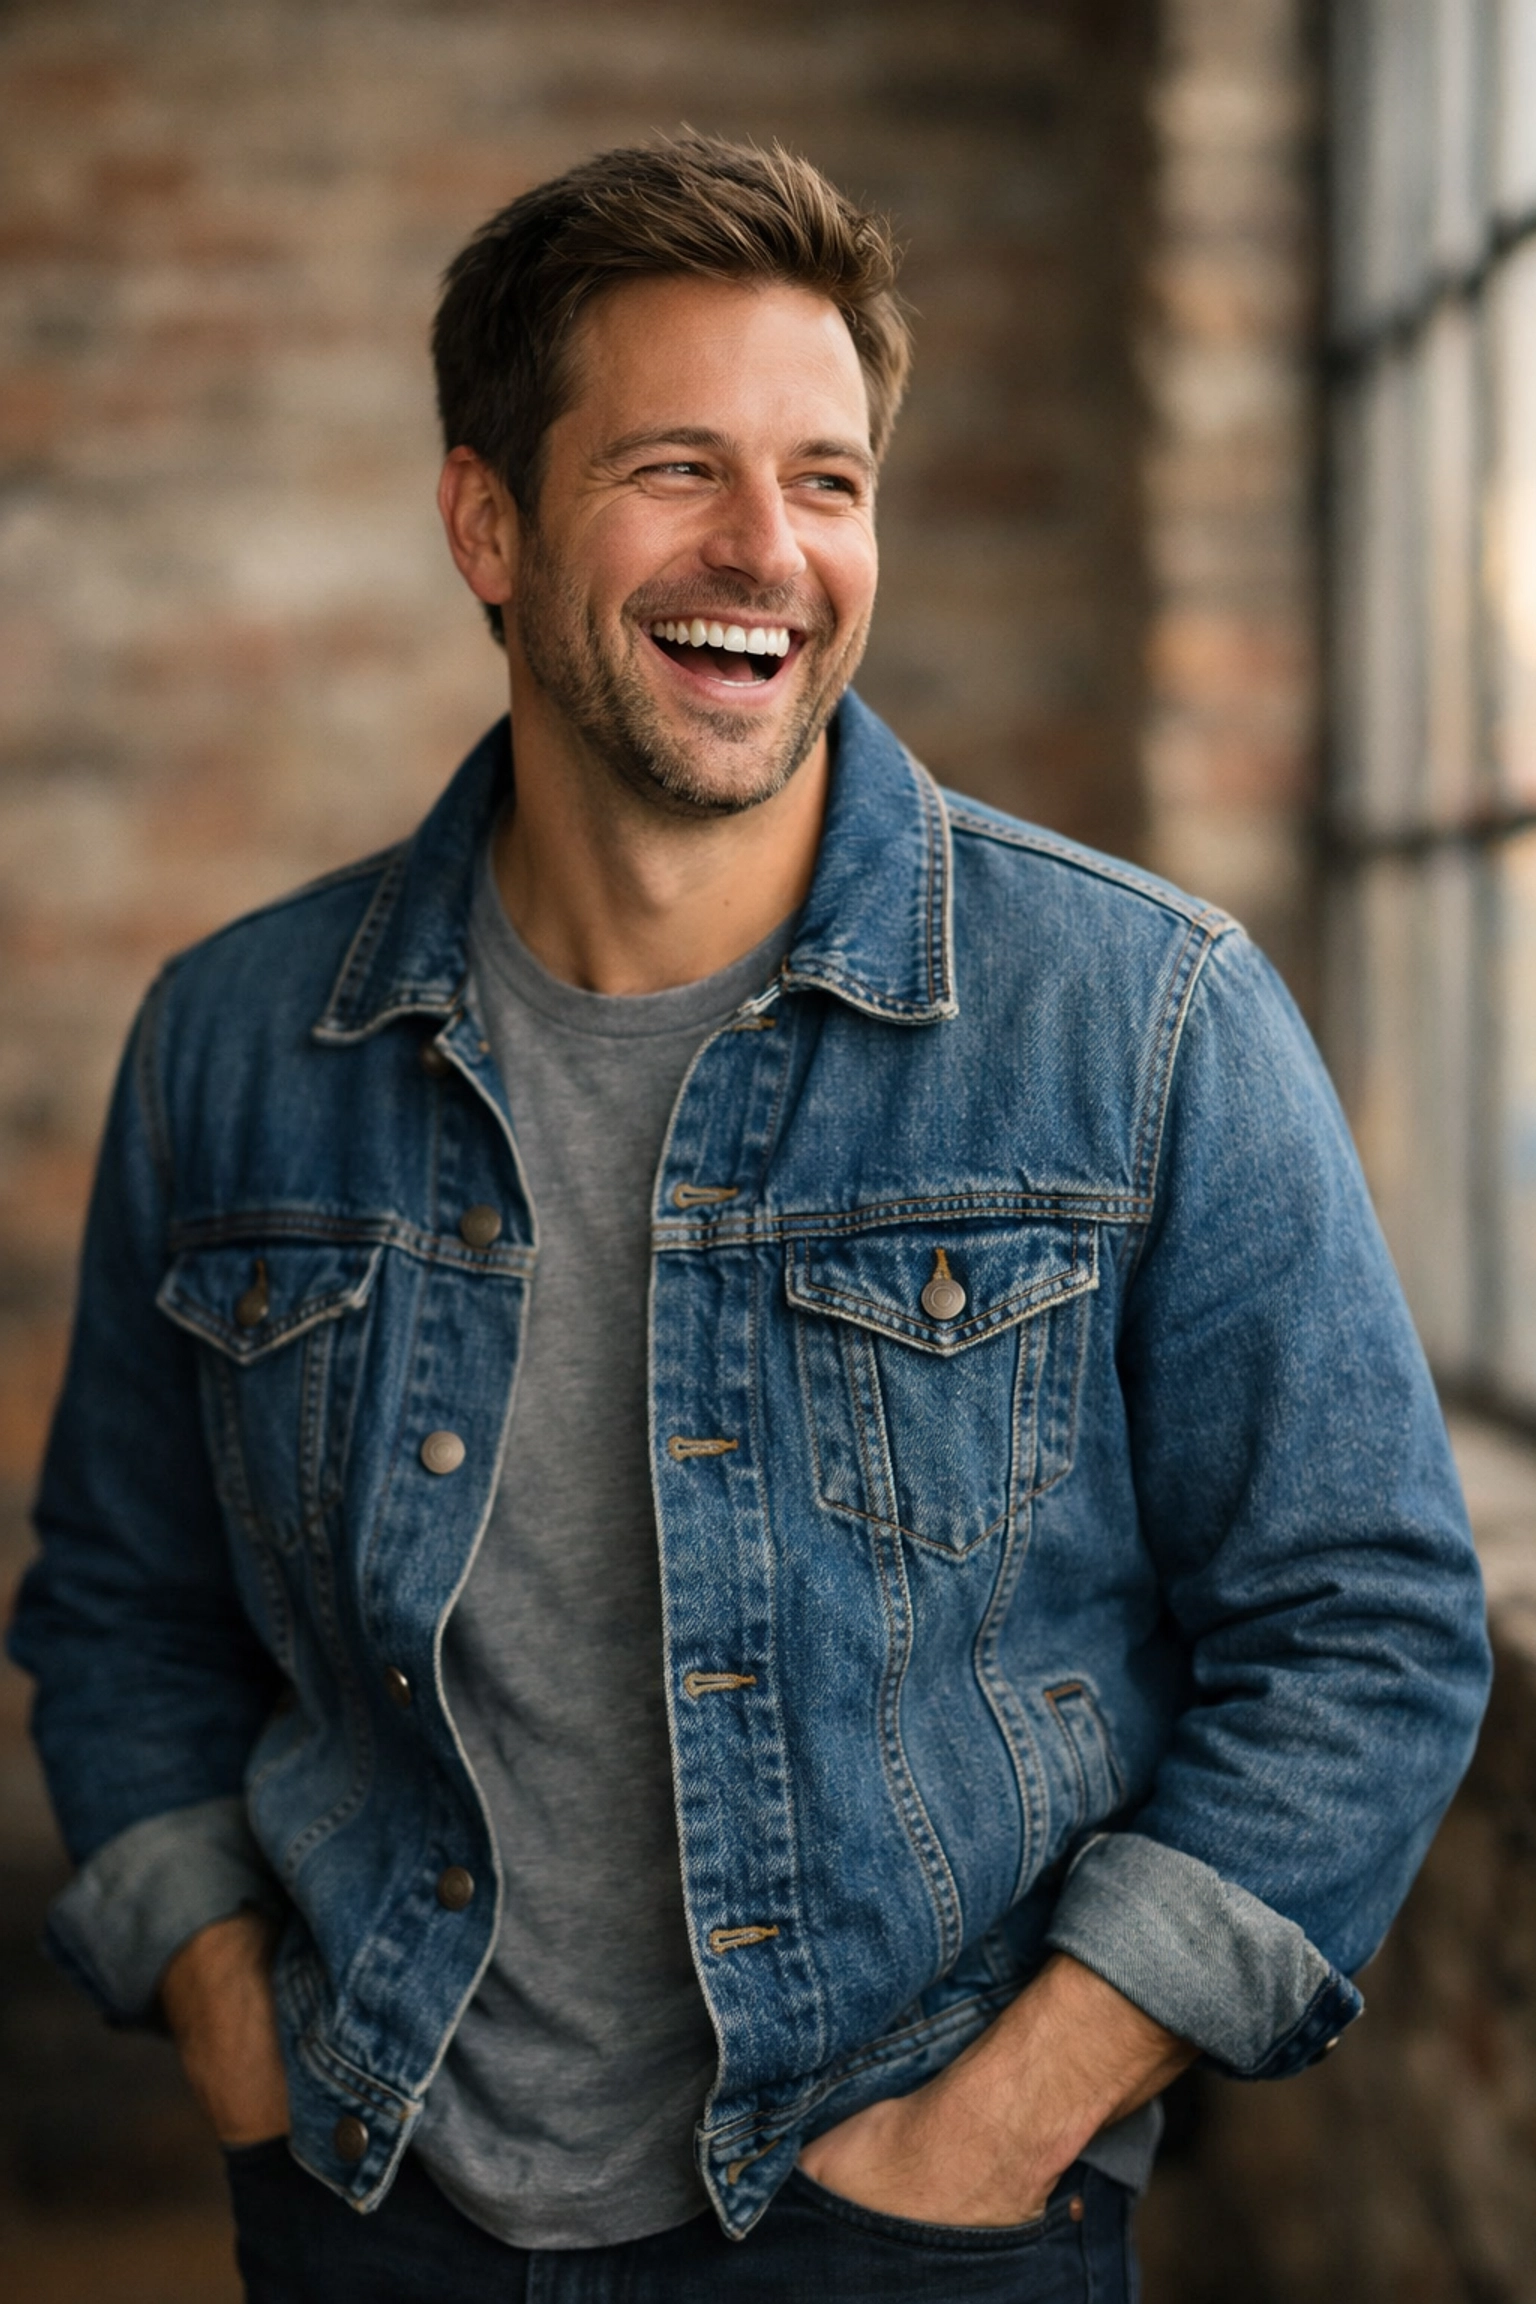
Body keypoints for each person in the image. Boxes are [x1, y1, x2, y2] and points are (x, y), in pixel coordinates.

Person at [10, 135, 1490, 2304]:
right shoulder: (236, 1046)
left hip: (912, 2231)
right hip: (375, 2210)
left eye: (828, 480)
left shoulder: (1142, 1017)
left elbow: (1366, 1628)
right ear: (487, 522)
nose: (768, 552)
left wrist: (1008, 2127)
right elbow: (123, 1615)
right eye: (676, 469)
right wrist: (237, 2031)